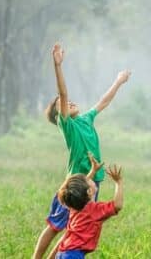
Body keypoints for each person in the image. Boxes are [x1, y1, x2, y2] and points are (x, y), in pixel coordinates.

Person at [32, 43, 131, 259]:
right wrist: (58, 66)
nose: (69, 102)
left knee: (75, 225)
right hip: (75, 184)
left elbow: (103, 101)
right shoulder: (67, 125)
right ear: (59, 115)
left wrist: (118, 81)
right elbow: (63, 92)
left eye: (68, 102)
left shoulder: (86, 119)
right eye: (63, 104)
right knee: (55, 226)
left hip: (92, 181)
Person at [56, 163, 124, 258]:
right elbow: (117, 205)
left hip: (62, 254)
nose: (91, 179)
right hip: (74, 255)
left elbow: (80, 188)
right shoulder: (94, 210)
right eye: (89, 180)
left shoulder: (75, 206)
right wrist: (118, 182)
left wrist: (93, 171)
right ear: (89, 191)